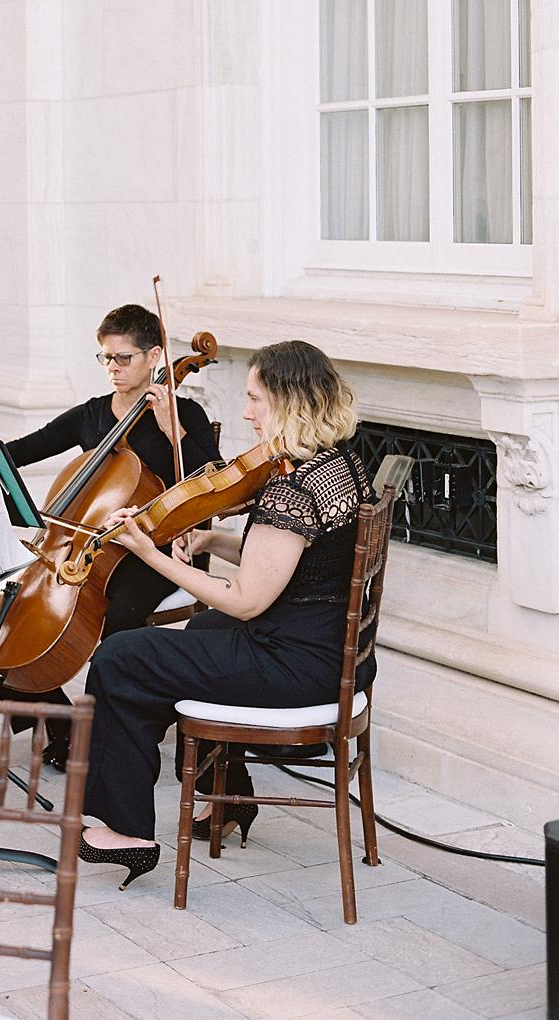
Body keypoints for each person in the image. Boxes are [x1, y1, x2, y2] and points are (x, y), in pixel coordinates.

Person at [77, 340, 373, 887]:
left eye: (256, 399)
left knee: (120, 657)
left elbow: (246, 598)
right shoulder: (338, 466)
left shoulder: (294, 488)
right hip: (328, 649)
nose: (246, 412)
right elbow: (297, 560)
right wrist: (216, 536)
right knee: (205, 628)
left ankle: (128, 831)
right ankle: (225, 795)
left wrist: (151, 555)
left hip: (296, 666)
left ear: (292, 403)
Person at [2, 303, 221, 767]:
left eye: (124, 358)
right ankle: (63, 728)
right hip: (91, 546)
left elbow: (214, 481)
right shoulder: (93, 415)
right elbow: (21, 451)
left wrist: (172, 429)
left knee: (120, 618)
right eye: (106, 358)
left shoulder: (186, 413)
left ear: (155, 356)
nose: (113, 369)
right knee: (6, 616)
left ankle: (123, 730)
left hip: (159, 550)